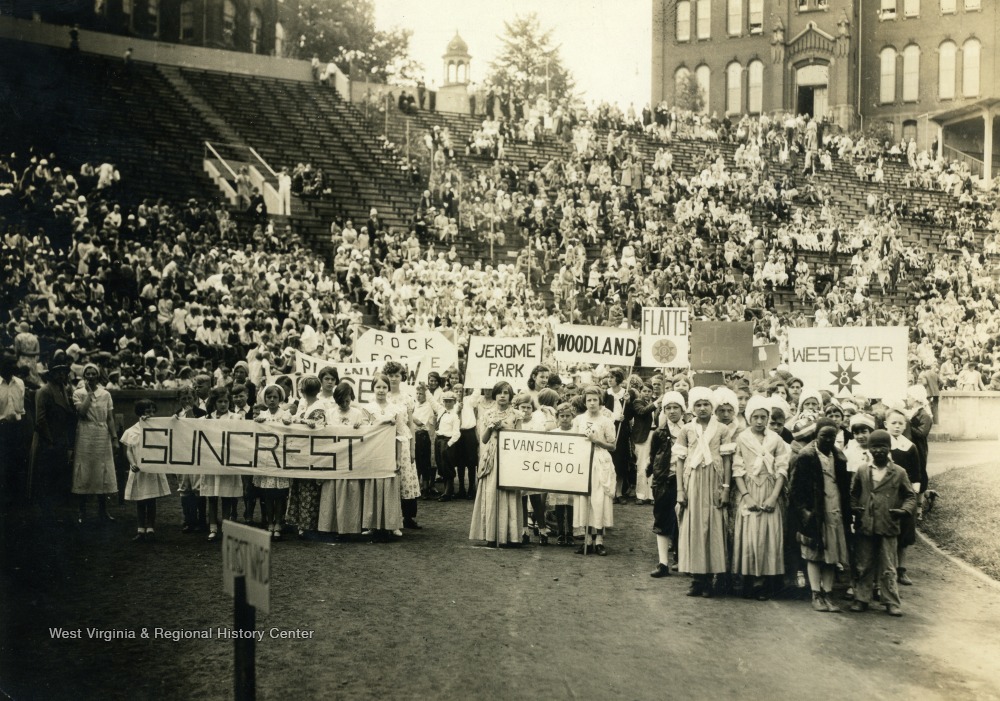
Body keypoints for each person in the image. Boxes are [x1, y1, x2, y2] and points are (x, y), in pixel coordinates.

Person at [849, 429, 917, 617]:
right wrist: (855, 508)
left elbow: (910, 496)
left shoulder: (899, 472)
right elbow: (853, 493)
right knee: (864, 563)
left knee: (888, 565)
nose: (878, 450)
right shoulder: (863, 470)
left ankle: (891, 602)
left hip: (888, 524)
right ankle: (861, 598)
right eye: (874, 447)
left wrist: (904, 511)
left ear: (889, 448)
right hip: (866, 524)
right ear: (869, 449)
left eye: (883, 447)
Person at [675, 387, 735, 596]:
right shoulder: (686, 430)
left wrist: (726, 488)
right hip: (693, 482)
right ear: (692, 408)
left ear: (712, 406)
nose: (702, 408)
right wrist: (680, 490)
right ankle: (697, 579)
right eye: (698, 405)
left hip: (714, 482)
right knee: (693, 527)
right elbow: (680, 461)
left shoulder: (722, 430)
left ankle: (710, 577)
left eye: (706, 404)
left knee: (712, 526)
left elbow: (727, 461)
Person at [789, 418, 851, 613]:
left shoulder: (839, 457)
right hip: (814, 513)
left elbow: (844, 488)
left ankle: (828, 593)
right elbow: (795, 490)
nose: (828, 440)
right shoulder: (806, 456)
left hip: (835, 511)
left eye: (832, 436)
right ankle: (816, 593)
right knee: (814, 555)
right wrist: (805, 513)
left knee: (831, 555)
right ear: (816, 435)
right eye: (824, 435)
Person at [732, 396, 790, 600]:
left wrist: (774, 497)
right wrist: (746, 496)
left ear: (768, 418)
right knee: (749, 536)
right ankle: (748, 580)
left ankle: (764, 582)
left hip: (769, 488)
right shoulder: (742, 439)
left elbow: (782, 469)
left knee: (768, 535)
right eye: (755, 417)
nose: (759, 421)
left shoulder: (776, 440)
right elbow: (737, 471)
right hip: (749, 488)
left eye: (763, 417)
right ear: (749, 417)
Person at [469, 381, 523, 546]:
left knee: (508, 494)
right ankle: (491, 535)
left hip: (509, 457)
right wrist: (491, 427)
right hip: (492, 456)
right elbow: (484, 439)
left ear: (510, 396)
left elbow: (520, 438)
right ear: (495, 395)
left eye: (506, 393)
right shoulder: (488, 414)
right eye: (499, 393)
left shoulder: (516, 414)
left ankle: (510, 536)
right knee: (491, 493)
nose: (502, 396)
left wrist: (505, 428)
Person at [317, 381, 368, 536]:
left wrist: (361, 426)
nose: (345, 404)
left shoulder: (357, 413)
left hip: (351, 458)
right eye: (341, 401)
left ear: (351, 398)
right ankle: (330, 527)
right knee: (332, 489)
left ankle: (350, 527)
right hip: (335, 458)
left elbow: (366, 432)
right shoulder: (330, 413)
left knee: (351, 490)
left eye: (347, 400)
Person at [71, 363, 119, 523]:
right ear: (84, 376)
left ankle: (103, 511)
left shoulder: (106, 394)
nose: (91, 377)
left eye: (93, 374)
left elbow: (110, 418)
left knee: (102, 470)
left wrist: (114, 438)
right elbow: (82, 412)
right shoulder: (78, 393)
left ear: (98, 376)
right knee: (84, 471)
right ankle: (82, 511)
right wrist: (90, 394)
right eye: (88, 374)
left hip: (102, 435)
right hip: (85, 434)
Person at [573, 385, 617, 556]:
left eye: (595, 400)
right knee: (584, 499)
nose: (592, 403)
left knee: (599, 500)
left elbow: (612, 446)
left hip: (600, 461)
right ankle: (587, 540)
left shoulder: (606, 421)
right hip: (583, 461)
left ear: (600, 401)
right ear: (584, 402)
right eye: (589, 400)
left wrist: (596, 441)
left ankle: (599, 540)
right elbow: (573, 441)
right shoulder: (579, 420)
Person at [30, 359, 76, 517]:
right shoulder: (44, 391)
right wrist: (50, 441)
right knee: (46, 476)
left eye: (64, 372)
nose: (61, 375)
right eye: (58, 372)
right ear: (51, 374)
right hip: (48, 440)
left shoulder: (64, 390)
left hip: (61, 439)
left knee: (57, 476)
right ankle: (46, 512)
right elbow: (40, 420)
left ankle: (54, 512)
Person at [362, 374, 406, 539]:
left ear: (388, 389)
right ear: (373, 389)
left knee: (390, 488)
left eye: (384, 387)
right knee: (373, 487)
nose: (381, 390)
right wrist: (380, 423)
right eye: (378, 387)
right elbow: (365, 432)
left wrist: (398, 458)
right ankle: (371, 525)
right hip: (373, 453)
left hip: (389, 453)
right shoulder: (367, 408)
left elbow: (400, 435)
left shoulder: (396, 409)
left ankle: (393, 525)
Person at [121, 399, 171, 542]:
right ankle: (140, 529)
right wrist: (132, 463)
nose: (151, 415)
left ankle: (150, 528)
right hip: (138, 470)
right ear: (140, 413)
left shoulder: (157, 430)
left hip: (151, 470)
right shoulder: (131, 431)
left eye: (153, 412)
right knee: (140, 500)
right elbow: (129, 450)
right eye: (147, 412)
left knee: (151, 499)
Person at [285, 376, 327, 538]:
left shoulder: (319, 407)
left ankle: (308, 524)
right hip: (301, 451)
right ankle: (301, 523)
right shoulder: (305, 405)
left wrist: (301, 422)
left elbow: (319, 428)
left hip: (312, 452)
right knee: (301, 486)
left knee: (309, 488)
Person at [648, 391, 684, 577]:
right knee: (662, 519)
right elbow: (654, 456)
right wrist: (656, 478)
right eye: (668, 408)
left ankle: (681, 558)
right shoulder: (659, 432)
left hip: (684, 481)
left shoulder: (689, 430)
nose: (672, 411)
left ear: (683, 410)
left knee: (682, 520)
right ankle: (663, 563)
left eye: (676, 407)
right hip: (664, 480)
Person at [202, 386, 244, 541]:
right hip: (211, 462)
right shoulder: (206, 418)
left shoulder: (236, 418)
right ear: (214, 402)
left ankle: (225, 528)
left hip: (227, 461)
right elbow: (188, 426)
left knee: (227, 496)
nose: (223, 404)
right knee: (212, 496)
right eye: (220, 401)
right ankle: (213, 528)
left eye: (226, 401)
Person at [884, 408, 920, 586]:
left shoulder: (910, 446)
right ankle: (887, 568)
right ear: (886, 424)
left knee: (904, 533)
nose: (897, 426)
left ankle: (901, 569)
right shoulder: (882, 444)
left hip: (904, 494)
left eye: (900, 423)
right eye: (893, 423)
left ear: (905, 425)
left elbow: (916, 473)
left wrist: (914, 498)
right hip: (886, 493)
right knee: (886, 531)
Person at [253, 384, 292, 539]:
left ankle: (278, 523)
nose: (272, 400)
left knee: (280, 495)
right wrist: (257, 422)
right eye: (269, 397)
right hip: (267, 460)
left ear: (280, 399)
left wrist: (288, 423)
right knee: (268, 494)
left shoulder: (285, 414)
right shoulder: (262, 414)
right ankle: (270, 522)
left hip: (281, 459)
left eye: (275, 397)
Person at [174, 387, 207, 532]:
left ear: (195, 399)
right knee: (184, 487)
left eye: (190, 398)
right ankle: (189, 520)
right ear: (179, 400)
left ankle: (201, 520)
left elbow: (200, 431)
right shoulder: (175, 415)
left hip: (197, 454)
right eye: (184, 399)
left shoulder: (203, 414)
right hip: (182, 454)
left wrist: (190, 414)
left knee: (198, 487)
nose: (187, 401)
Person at [550, 402, 577, 546]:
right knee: (559, 504)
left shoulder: (577, 433)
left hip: (572, 473)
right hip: (558, 472)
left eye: (568, 416)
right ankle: (560, 532)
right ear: (558, 417)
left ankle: (570, 532)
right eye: (562, 416)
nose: (565, 419)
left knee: (571, 504)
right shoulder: (553, 433)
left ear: (572, 417)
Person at [435, 391, 461, 502]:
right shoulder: (442, 412)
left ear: (454, 402)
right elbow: (432, 401)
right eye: (445, 401)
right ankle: (446, 491)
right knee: (441, 466)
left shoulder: (454, 416)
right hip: (439, 440)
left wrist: (448, 444)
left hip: (447, 442)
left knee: (448, 467)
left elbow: (457, 433)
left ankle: (448, 492)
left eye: (450, 401)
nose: (447, 403)